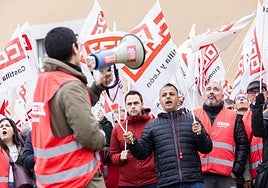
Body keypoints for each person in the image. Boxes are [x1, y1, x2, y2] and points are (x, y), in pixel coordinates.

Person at [31, 27, 113, 188]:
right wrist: (102, 136)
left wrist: (97, 86)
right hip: (78, 178)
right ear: (74, 48)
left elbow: (68, 112)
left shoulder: (45, 81)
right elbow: (90, 137)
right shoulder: (70, 85)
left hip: (52, 179)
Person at [123, 83, 213, 188]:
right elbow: (142, 153)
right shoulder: (152, 125)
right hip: (167, 182)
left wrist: (200, 133)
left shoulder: (191, 120)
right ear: (160, 101)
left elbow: (207, 148)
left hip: (193, 180)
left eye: (171, 94)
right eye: (164, 95)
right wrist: (132, 142)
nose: (168, 97)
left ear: (178, 99)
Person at [194, 82, 249, 188]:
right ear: (204, 94)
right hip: (201, 177)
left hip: (227, 177)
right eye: (208, 89)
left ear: (223, 96)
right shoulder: (194, 115)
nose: (211, 92)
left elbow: (243, 144)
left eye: (215, 89)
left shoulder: (234, 117)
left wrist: (237, 169)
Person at [109, 90, 157, 188]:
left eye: (136, 103)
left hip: (152, 181)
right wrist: (119, 157)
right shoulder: (118, 129)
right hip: (127, 183)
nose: (133, 106)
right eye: (129, 104)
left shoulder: (153, 123)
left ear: (142, 104)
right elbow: (113, 155)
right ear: (126, 106)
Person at [234, 92, 262, 188]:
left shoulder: (257, 118)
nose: (241, 99)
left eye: (244, 98)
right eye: (238, 98)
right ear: (234, 105)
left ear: (248, 102)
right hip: (240, 173)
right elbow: (242, 149)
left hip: (258, 171)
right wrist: (247, 176)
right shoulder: (233, 121)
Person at [249, 81, 268, 187]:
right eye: (253, 92)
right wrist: (257, 108)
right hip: (259, 170)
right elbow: (258, 131)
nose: (257, 95)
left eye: (260, 91)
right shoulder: (246, 116)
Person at [0, 117, 26, 188]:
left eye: (7, 126)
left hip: (23, 183)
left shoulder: (23, 148)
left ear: (14, 131)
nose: (3, 128)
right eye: (1, 126)